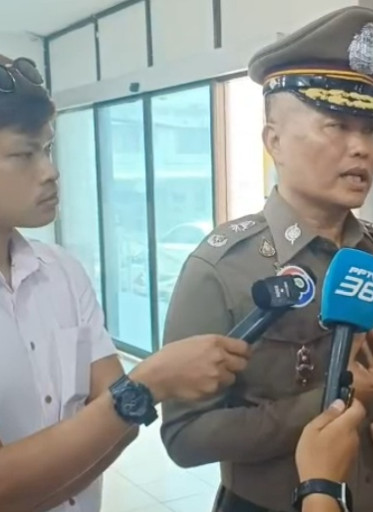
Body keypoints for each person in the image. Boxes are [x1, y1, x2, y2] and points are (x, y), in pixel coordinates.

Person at [159, 7, 373, 512]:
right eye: (337, 125)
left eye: (369, 130)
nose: (361, 149)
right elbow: (185, 437)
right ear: (275, 142)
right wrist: (337, 398)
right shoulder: (221, 268)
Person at [0, 54, 254, 512]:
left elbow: (122, 422)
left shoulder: (62, 272)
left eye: (48, 149)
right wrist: (147, 382)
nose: (50, 171)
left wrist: (125, 401)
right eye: (24, 153)